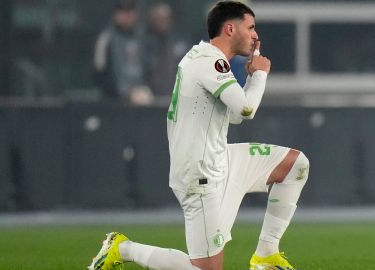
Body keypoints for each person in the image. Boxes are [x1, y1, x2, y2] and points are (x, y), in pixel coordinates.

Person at [88, 2, 310, 270]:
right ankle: (122, 248)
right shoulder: (209, 61)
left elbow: (236, 114)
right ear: (230, 28)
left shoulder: (207, 58)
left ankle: (266, 254)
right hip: (200, 175)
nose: (255, 35)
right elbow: (247, 109)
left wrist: (251, 79)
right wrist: (260, 74)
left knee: (295, 164)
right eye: (250, 27)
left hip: (221, 159)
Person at [93, 0, 153, 104]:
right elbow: (99, 71)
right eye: (122, 12)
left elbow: (149, 68)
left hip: (141, 99)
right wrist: (122, 93)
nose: (127, 16)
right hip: (113, 101)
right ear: (115, 15)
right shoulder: (106, 39)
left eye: (130, 12)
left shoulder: (143, 38)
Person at [144, 2, 187, 101]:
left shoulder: (179, 43)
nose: (163, 22)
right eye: (159, 19)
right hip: (150, 99)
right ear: (152, 20)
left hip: (176, 97)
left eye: (165, 19)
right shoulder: (145, 43)